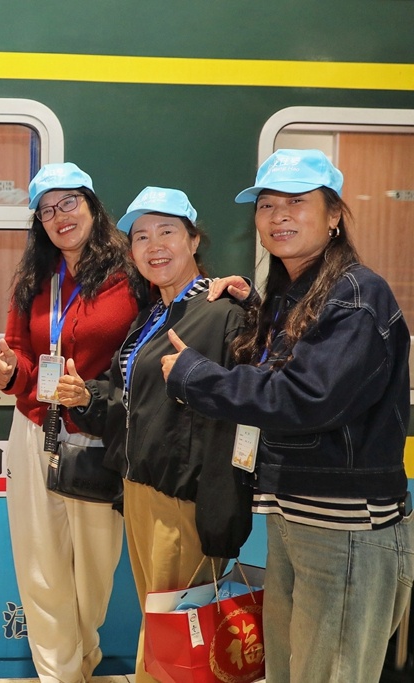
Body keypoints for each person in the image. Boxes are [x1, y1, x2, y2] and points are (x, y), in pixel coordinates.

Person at [161, 149, 414, 683]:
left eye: (296, 202)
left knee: (329, 672)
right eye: (267, 205)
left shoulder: (356, 295)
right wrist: (254, 308)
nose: (278, 216)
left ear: (334, 214)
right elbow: (296, 362)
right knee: (288, 667)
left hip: (344, 524)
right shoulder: (293, 294)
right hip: (296, 513)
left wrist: (195, 375)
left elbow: (306, 396)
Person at [59, 187, 253, 682]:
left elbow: (241, 414)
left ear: (194, 240)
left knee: (176, 631)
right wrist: (86, 398)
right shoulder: (152, 316)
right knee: (162, 621)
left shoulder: (222, 311)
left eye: (167, 231)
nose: (154, 245)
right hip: (139, 489)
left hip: (184, 499)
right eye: (141, 237)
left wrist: (222, 509)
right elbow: (130, 403)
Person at [0, 162, 141, 682]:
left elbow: (156, 344)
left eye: (69, 202)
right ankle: (59, 674)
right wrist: (10, 374)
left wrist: (226, 287)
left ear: (92, 206)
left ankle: (83, 659)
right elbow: (18, 353)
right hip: (36, 429)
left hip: (98, 436)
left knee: (94, 570)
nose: (59, 216)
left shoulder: (132, 274)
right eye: (47, 210)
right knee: (41, 566)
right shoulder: (34, 279)